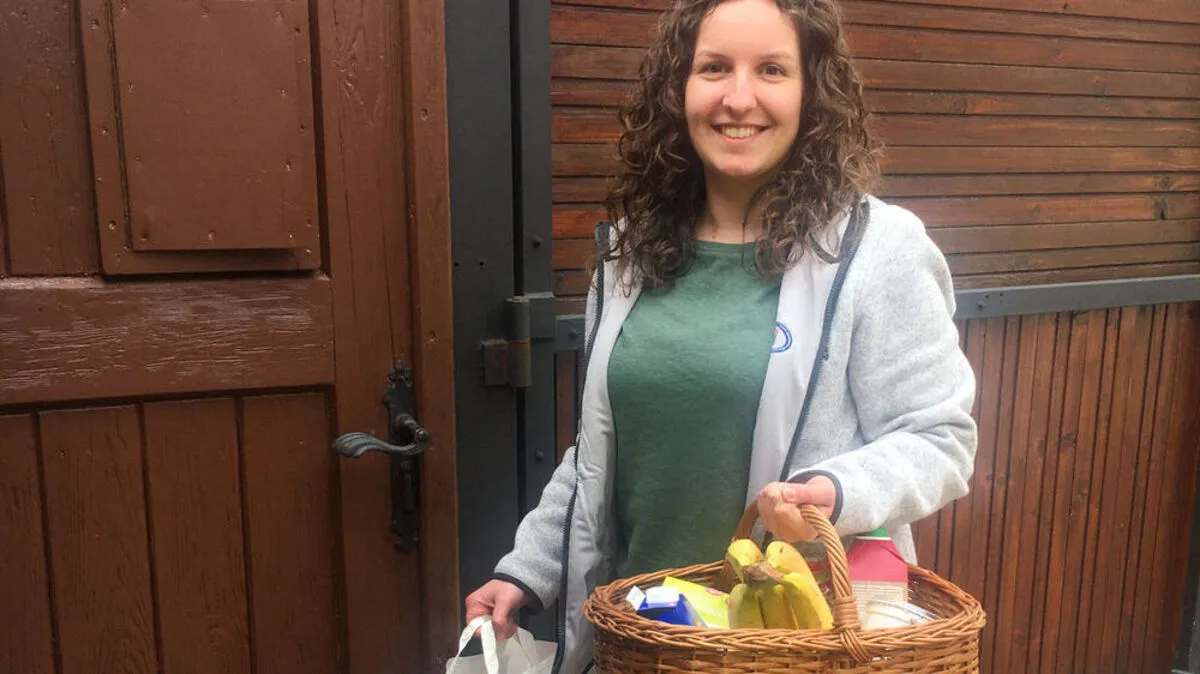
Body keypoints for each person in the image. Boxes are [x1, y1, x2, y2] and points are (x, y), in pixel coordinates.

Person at [465, 0, 978, 671]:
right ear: (678, 88)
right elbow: (601, 449)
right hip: (642, 636)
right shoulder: (631, 253)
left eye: (772, 70)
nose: (739, 98)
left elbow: (941, 438)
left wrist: (836, 489)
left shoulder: (878, 250)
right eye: (714, 68)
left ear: (812, 91)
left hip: (794, 647)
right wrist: (527, 569)